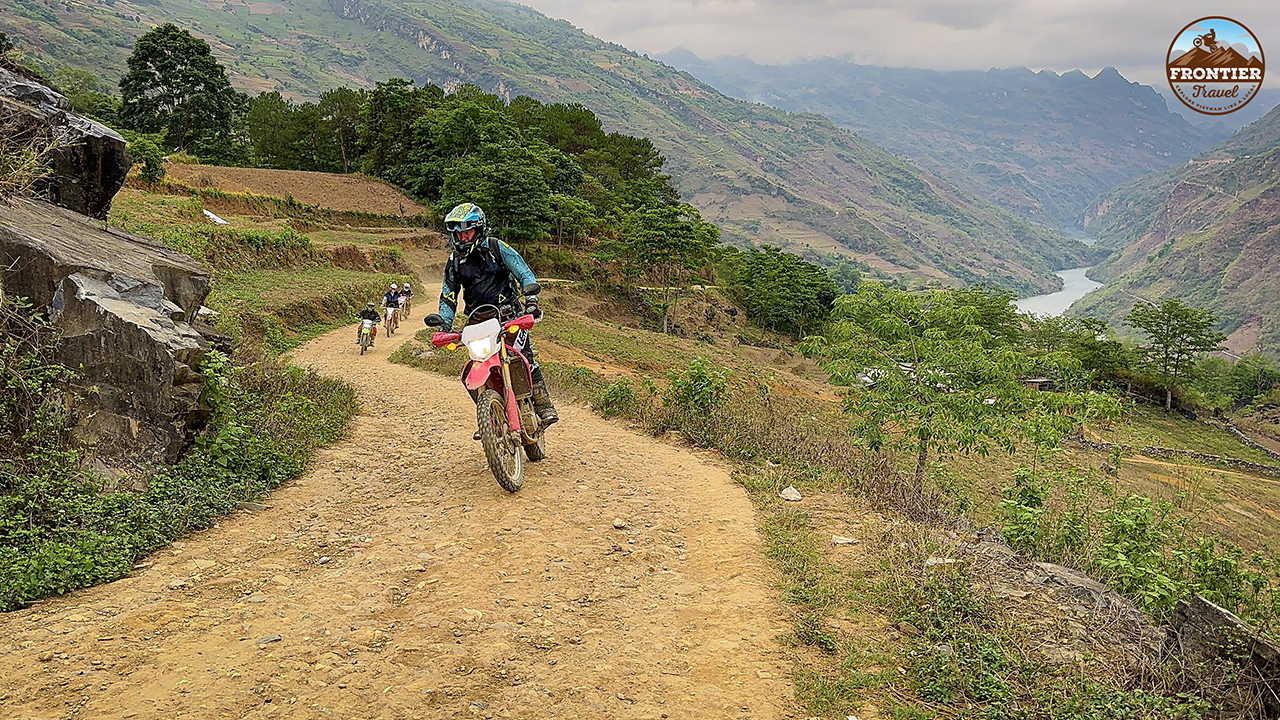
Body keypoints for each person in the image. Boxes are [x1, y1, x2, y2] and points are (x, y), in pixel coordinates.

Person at [435, 202, 558, 426]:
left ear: (479, 230)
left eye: (467, 233)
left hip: (508, 316)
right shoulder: (454, 262)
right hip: (477, 322)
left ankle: (544, 405)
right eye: (458, 234)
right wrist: (444, 324)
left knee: (524, 359)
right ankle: (491, 417)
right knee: (474, 367)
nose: (463, 238)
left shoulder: (496, 248)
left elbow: (524, 273)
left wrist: (531, 299)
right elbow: (448, 295)